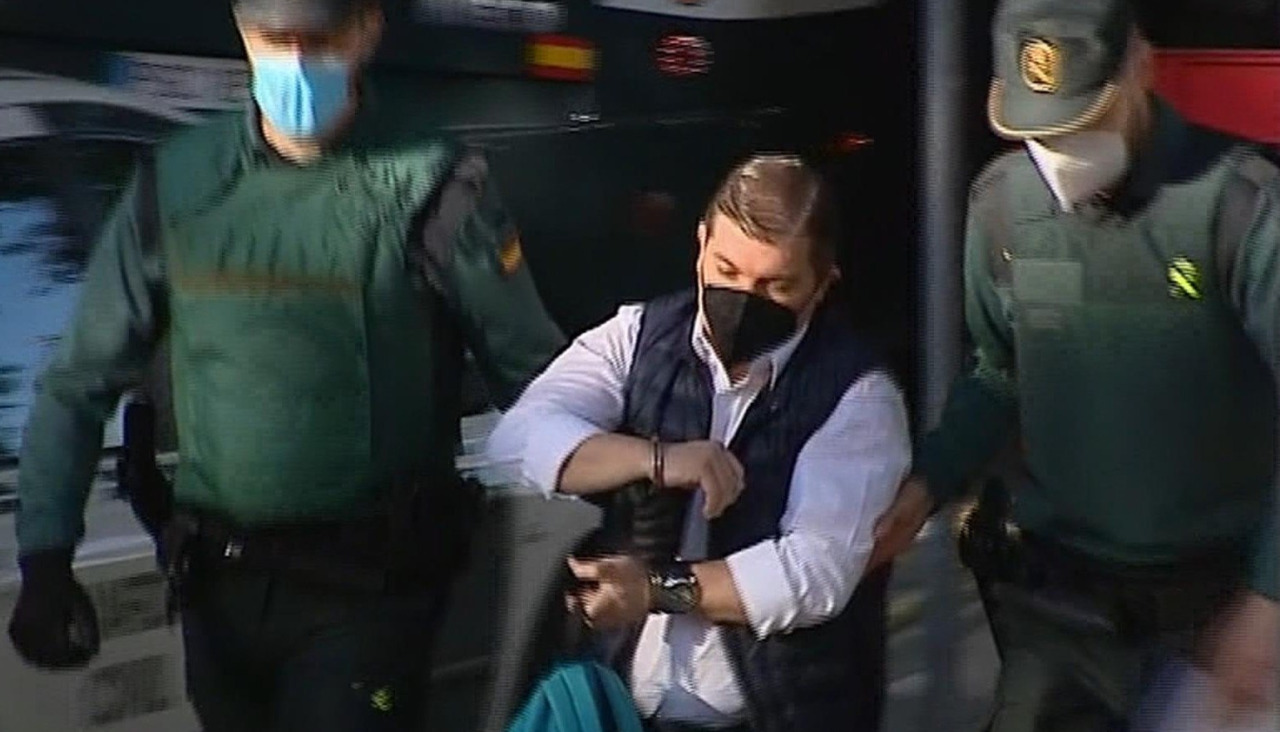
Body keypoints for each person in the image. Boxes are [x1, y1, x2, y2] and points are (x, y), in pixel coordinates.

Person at [5, 0, 566, 729]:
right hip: (219, 595)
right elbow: (80, 380)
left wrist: (625, 479)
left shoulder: (431, 182)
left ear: (367, 31)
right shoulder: (178, 183)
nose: (297, 61)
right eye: (276, 39)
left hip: (370, 596)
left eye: (320, 40)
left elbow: (536, 374)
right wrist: (45, 556)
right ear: (244, 35)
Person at [869, 0, 1280, 728]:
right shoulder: (1003, 206)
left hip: (1218, 608)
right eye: (1041, 133)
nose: (1060, 155)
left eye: (1084, 123)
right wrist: (928, 482)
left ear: (1140, 67)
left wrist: (1268, 601)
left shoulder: (1241, 206)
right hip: (1061, 602)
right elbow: (999, 373)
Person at [487, 154, 912, 732]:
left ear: (822, 285)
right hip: (629, 706)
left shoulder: (858, 396)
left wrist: (656, 590)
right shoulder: (639, 336)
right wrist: (656, 460)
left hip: (776, 712)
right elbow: (519, 438)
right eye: (726, 271)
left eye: (776, 285)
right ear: (701, 244)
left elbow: (813, 573)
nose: (743, 298)